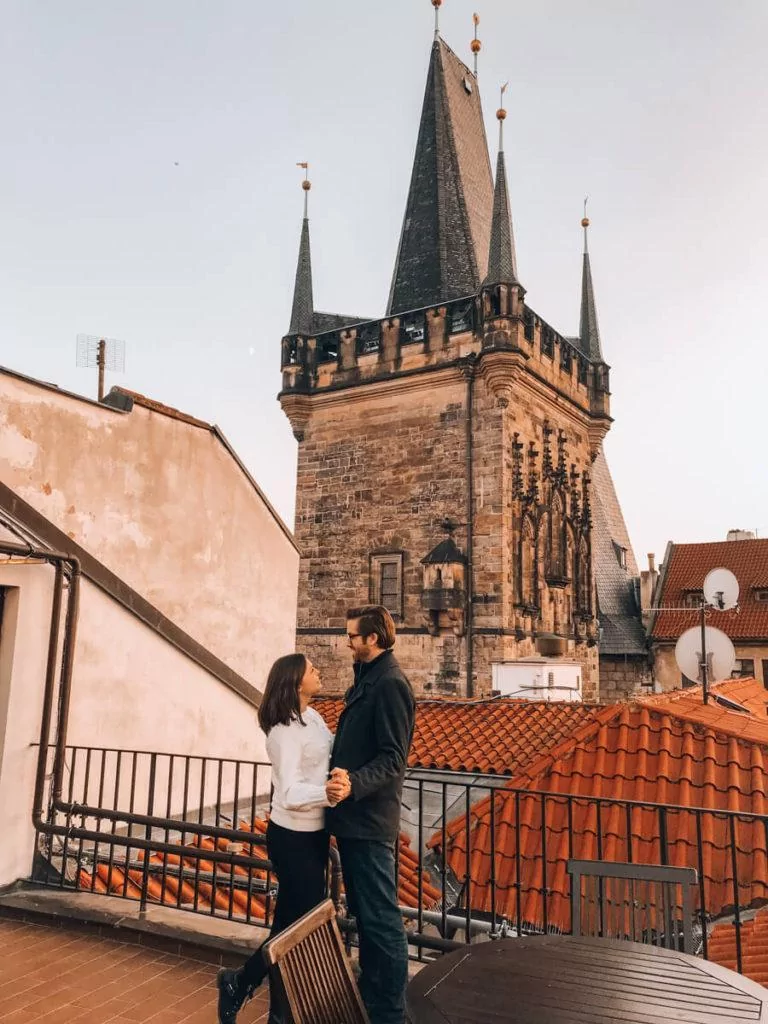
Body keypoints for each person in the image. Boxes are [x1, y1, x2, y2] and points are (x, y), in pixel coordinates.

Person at [216, 652, 336, 1024]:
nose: (318, 672)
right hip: (292, 837)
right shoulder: (284, 733)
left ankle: (265, 1002)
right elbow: (287, 794)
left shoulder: (313, 718)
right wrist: (327, 794)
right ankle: (252, 990)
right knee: (297, 927)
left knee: (289, 924)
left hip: (314, 834)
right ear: (295, 682)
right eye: (311, 670)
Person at [324, 605, 416, 1024]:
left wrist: (354, 783)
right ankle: (372, 993)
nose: (347, 642)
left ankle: (390, 1011)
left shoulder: (390, 683)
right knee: (366, 913)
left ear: (372, 639)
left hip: (370, 820)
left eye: (353, 636)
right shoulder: (368, 678)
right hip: (354, 820)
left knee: (381, 919)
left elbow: (394, 758)